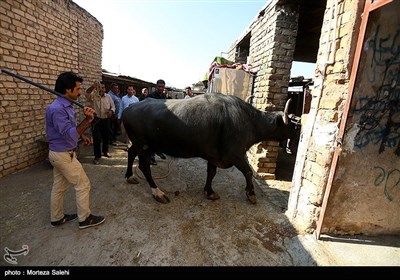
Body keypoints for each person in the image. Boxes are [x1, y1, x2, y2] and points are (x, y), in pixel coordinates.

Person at [46, 71, 105, 230]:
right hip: (63, 155)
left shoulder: (67, 106)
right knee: (83, 184)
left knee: (59, 187)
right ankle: (84, 219)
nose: (80, 92)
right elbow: (69, 134)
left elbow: (72, 132)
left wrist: (82, 136)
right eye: (78, 89)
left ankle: (56, 218)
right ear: (67, 90)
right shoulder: (57, 109)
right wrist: (87, 121)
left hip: (60, 152)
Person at [85, 80, 115, 164]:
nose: (102, 89)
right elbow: (87, 93)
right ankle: (97, 156)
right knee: (97, 139)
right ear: (97, 88)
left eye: (103, 87)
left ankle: (105, 151)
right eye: (100, 87)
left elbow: (113, 106)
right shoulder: (93, 96)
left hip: (106, 120)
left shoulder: (108, 97)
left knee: (106, 137)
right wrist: (93, 86)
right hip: (96, 120)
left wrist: (111, 112)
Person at [148, 79, 168, 165]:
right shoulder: (151, 96)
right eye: (159, 86)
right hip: (151, 121)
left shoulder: (164, 96)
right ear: (156, 87)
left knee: (161, 138)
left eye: (162, 87)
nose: (160, 88)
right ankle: (151, 157)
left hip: (161, 121)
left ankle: (158, 151)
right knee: (151, 139)